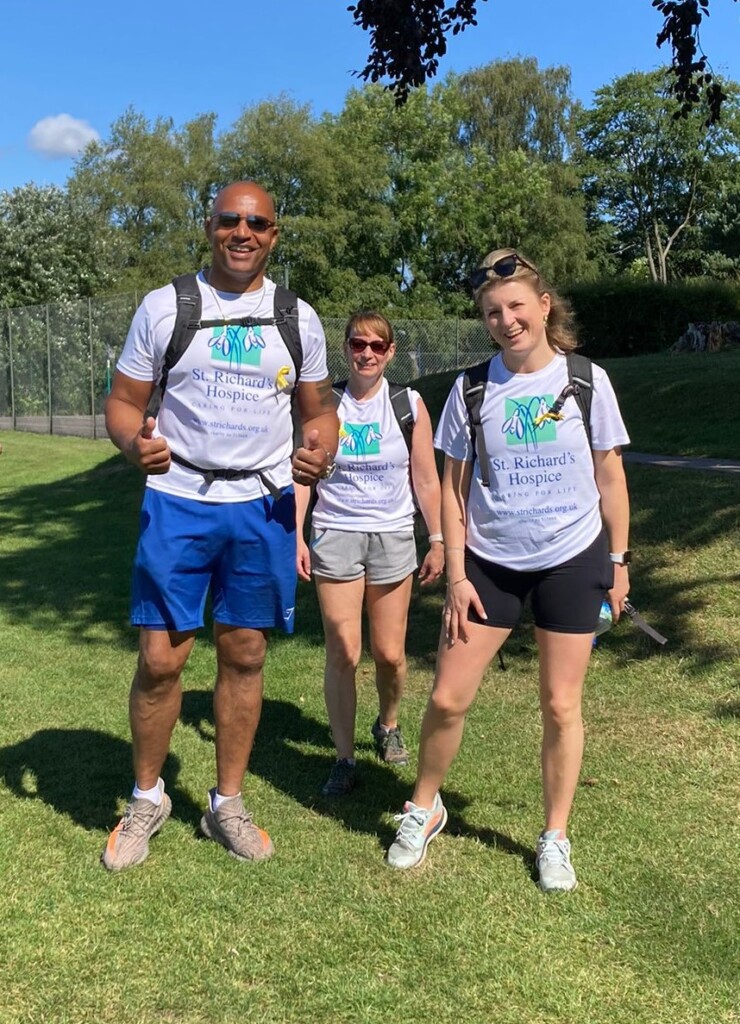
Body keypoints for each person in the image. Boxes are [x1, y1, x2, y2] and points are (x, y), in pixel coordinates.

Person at [102, 181, 339, 871]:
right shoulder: (167, 306)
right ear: (209, 226)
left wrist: (319, 448)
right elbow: (122, 402)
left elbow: (319, 412)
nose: (243, 231)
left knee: (244, 655)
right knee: (161, 658)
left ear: (274, 234)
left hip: (262, 505)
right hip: (178, 499)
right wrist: (130, 444)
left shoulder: (298, 318)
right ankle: (147, 797)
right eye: (230, 219)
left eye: (257, 223)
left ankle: (226, 802)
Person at [386, 249, 631, 891]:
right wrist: (459, 576)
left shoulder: (585, 380)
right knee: (446, 695)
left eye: (517, 305)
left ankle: (555, 836)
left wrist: (619, 560)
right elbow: (453, 491)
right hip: (490, 566)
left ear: (544, 305)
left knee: (560, 703)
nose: (506, 319)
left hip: (573, 560)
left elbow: (610, 475)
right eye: (493, 312)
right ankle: (424, 807)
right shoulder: (471, 388)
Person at [295, 312, 444, 797]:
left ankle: (388, 723)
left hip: (393, 536)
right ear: (346, 348)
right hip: (335, 533)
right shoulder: (324, 405)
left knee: (390, 654)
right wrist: (296, 534)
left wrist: (438, 539)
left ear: (391, 353)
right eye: (359, 344)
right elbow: (303, 473)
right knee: (343, 653)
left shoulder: (408, 404)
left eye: (378, 347)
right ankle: (343, 757)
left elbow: (425, 479)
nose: (367, 354)